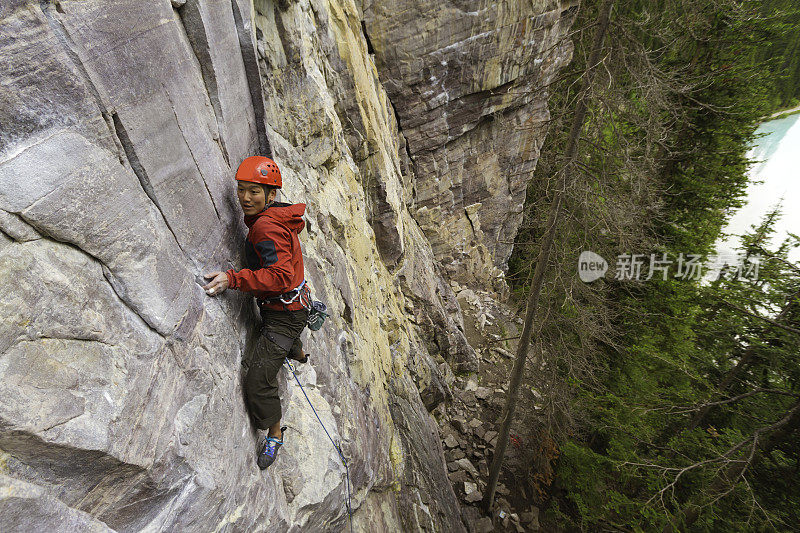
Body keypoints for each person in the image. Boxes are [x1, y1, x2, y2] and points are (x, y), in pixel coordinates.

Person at [203, 155, 310, 470]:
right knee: (283, 339)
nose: (245, 198)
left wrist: (233, 279)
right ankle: (297, 350)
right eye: (241, 190)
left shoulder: (265, 225)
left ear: (270, 196)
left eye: (254, 192)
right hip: (292, 306)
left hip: (285, 314)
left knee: (257, 381)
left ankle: (275, 434)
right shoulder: (275, 216)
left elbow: (278, 276)